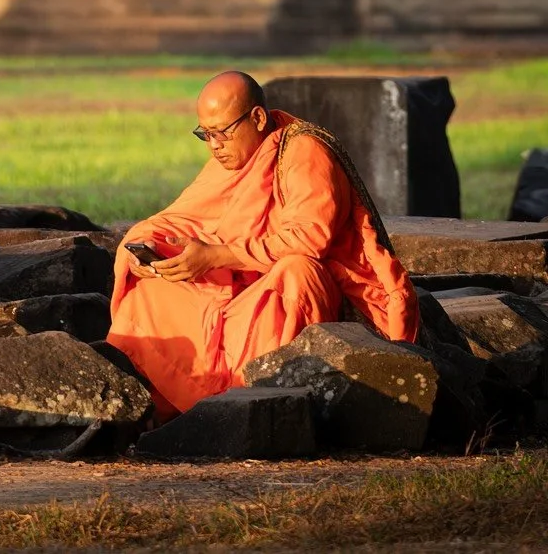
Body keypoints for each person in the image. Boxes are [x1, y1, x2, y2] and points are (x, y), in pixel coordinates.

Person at [107, 71, 419, 420]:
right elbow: (181, 219)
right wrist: (145, 249)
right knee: (150, 292)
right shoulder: (231, 159)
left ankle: (262, 406)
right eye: (205, 134)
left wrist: (216, 257)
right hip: (242, 292)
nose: (214, 145)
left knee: (297, 272)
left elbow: (309, 240)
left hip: (314, 300)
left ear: (257, 117)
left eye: (222, 132)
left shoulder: (303, 150)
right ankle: (189, 410)